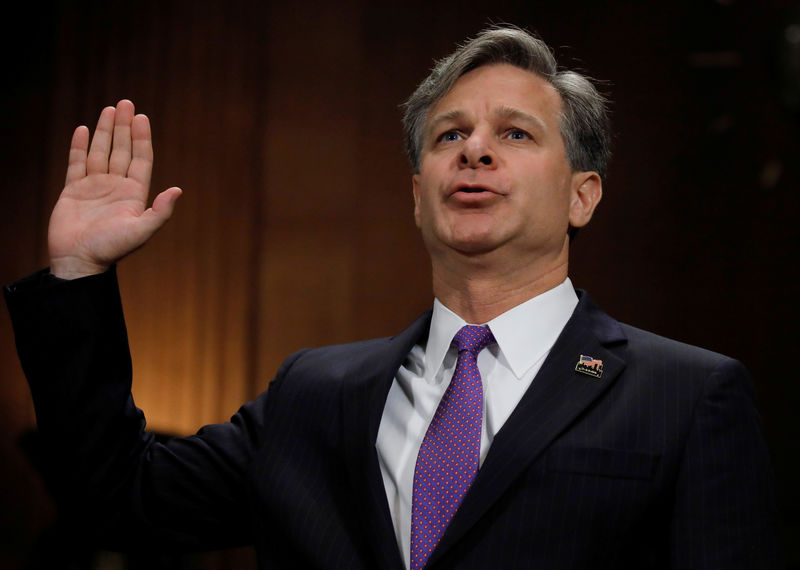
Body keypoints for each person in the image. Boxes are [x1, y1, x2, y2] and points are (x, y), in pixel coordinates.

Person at [4, 26, 781, 569]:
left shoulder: (687, 395)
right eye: (449, 135)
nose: (473, 148)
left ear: (583, 196)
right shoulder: (315, 394)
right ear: (419, 197)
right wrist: (78, 277)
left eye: (515, 134)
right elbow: (117, 500)